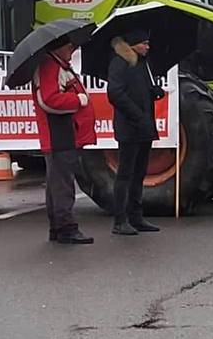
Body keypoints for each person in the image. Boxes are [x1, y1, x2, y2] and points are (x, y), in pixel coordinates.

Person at [33, 36, 98, 244]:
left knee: (57, 182)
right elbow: (49, 99)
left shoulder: (58, 65)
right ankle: (66, 228)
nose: (73, 48)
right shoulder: (50, 67)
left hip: (63, 133)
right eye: (69, 45)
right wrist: (78, 100)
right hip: (59, 133)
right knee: (62, 183)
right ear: (58, 47)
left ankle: (58, 227)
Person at [107, 30, 164, 236]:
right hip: (129, 127)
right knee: (125, 174)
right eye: (145, 43)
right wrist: (137, 115)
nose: (147, 47)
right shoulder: (119, 63)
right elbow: (115, 93)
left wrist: (153, 91)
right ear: (133, 44)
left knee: (139, 173)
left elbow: (140, 90)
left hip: (144, 126)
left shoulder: (142, 64)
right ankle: (120, 219)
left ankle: (136, 215)